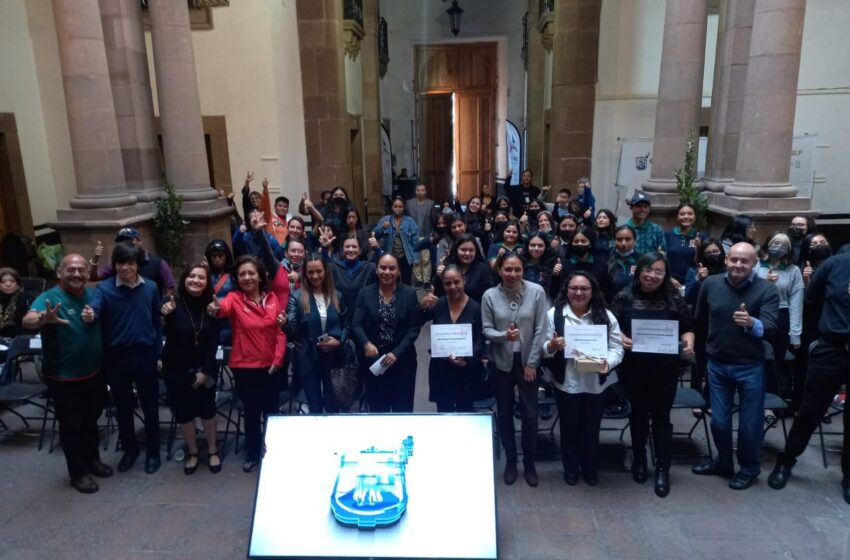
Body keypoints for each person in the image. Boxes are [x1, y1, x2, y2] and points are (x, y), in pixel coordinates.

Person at [692, 242, 779, 490]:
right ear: (727, 260)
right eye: (734, 260)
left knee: (750, 425)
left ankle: (750, 468)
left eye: (745, 261)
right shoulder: (710, 284)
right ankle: (724, 462)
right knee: (718, 421)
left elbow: (771, 327)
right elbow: (700, 319)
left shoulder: (767, 290)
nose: (738, 265)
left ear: (754, 264)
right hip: (717, 363)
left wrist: (752, 323)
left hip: (750, 366)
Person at [766, 250, 850, 505]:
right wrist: (817, 340)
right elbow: (811, 301)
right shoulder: (837, 264)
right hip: (832, 349)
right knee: (809, 411)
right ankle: (787, 459)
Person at [22, 254, 110, 494]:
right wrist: (42, 318)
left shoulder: (92, 296)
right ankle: (78, 472)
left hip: (93, 372)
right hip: (63, 376)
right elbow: (28, 320)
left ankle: (93, 459)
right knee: (71, 426)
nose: (77, 274)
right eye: (71, 270)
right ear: (59, 272)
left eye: (81, 270)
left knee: (92, 419)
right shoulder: (48, 298)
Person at [611, 253, 695, 497]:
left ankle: (662, 468)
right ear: (639, 272)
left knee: (661, 419)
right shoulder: (624, 297)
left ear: (665, 274)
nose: (652, 276)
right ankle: (639, 460)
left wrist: (688, 342)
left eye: (659, 271)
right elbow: (610, 327)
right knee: (637, 416)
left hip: (665, 370)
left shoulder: (673, 298)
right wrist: (620, 338)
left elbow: (687, 327)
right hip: (634, 368)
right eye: (648, 270)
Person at [83, 242, 163, 475]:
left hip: (145, 354)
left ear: (138, 265)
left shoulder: (150, 288)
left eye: (130, 263)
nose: (125, 268)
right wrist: (89, 315)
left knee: (150, 406)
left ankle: (153, 451)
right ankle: (130, 450)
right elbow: (94, 309)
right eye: (120, 263)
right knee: (123, 407)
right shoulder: (105, 289)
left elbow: (156, 322)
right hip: (116, 358)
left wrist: (158, 351)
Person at [542, 271, 624, 486]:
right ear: (567, 291)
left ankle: (590, 467)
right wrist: (552, 346)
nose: (578, 292)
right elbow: (543, 348)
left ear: (592, 291)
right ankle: (571, 468)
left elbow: (617, 347)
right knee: (568, 427)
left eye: (584, 289)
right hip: (566, 381)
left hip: (596, 383)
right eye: (574, 288)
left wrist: (609, 362)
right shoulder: (554, 314)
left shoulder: (606, 315)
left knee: (591, 427)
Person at [207, 255, 286, 473]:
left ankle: (273, 451)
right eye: (242, 274)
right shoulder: (234, 298)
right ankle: (252, 453)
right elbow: (222, 307)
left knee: (272, 412)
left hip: (272, 366)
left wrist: (278, 360)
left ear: (261, 276)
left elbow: (280, 332)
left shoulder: (272, 299)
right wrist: (215, 309)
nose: (247, 277)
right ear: (237, 278)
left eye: (251, 273)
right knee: (251, 413)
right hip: (246, 368)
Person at [482, 252, 549, 487]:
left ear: (523, 270)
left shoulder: (537, 292)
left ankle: (529, 462)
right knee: (505, 412)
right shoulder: (489, 295)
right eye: (507, 269)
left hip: (528, 361)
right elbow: (486, 330)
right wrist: (504, 336)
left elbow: (542, 329)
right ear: (499, 270)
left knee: (530, 415)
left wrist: (532, 362)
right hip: (502, 361)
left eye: (517, 269)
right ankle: (511, 460)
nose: (512, 274)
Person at [160, 264, 221, 475]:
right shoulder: (172, 305)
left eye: (201, 277)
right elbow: (160, 324)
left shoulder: (212, 307)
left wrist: (205, 371)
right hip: (176, 369)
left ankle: (213, 450)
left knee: (207, 410)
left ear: (207, 282)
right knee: (184, 412)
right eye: (191, 276)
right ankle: (193, 452)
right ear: (184, 279)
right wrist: (163, 312)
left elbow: (214, 342)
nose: (195, 280)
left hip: (205, 367)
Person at [351, 254, 422, 413]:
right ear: (376, 270)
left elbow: (414, 328)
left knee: (402, 409)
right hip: (374, 359)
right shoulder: (365, 292)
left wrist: (396, 353)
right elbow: (356, 323)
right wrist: (366, 343)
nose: (387, 272)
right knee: (378, 407)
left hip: (402, 359)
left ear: (398, 271)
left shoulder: (409, 294)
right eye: (383, 267)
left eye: (392, 268)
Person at [285, 254, 347, 413]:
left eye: (318, 271)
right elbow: (291, 330)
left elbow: (347, 324)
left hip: (333, 356)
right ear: (304, 273)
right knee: (315, 405)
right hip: (308, 358)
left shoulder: (337, 295)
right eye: (310, 272)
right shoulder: (297, 297)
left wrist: (339, 341)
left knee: (333, 404)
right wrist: (284, 323)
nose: (315, 276)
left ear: (325, 271)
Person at [420, 265, 485, 412]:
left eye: (456, 282)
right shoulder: (438, 304)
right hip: (441, 370)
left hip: (466, 370)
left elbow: (480, 340)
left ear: (464, 280)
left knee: (465, 414)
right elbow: (416, 321)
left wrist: (466, 359)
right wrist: (423, 306)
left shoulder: (476, 308)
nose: (453, 286)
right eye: (448, 283)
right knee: (444, 415)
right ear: (442, 284)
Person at [755, 232, 803, 409]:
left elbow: (796, 303)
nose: (779, 247)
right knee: (755, 358)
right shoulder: (756, 264)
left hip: (782, 315)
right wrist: (765, 282)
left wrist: (795, 335)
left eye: (784, 245)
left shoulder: (793, 270)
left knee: (775, 363)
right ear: (768, 243)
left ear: (789, 250)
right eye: (776, 243)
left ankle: (769, 404)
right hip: (757, 313)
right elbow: (748, 288)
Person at [90, 228, 176, 297]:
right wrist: (96, 258)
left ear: (139, 241)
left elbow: (170, 287)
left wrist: (163, 307)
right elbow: (93, 277)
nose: (127, 244)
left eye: (130, 240)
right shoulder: (119, 265)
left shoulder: (158, 263)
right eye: (122, 242)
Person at [551, 226, 612, 300]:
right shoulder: (563, 264)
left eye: (583, 241)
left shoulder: (601, 265)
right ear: (571, 244)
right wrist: (555, 276)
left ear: (590, 243)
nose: (579, 244)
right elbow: (554, 293)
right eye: (576, 241)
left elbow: (607, 293)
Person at [372, 196, 420, 285]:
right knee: (391, 280)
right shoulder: (385, 220)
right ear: (392, 207)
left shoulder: (410, 222)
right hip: (390, 255)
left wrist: (416, 259)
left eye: (400, 206)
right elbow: (375, 235)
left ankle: (406, 298)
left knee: (407, 281)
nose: (398, 209)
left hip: (406, 256)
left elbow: (415, 242)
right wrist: (382, 228)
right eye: (396, 206)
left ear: (404, 207)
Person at [434, 233, 493, 302]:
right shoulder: (447, 266)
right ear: (456, 250)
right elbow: (438, 294)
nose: (467, 253)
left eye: (471, 250)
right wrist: (439, 276)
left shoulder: (483, 269)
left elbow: (488, 296)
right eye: (463, 250)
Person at [331, 237, 376, 327]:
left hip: (363, 319)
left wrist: (377, 249)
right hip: (340, 318)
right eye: (347, 247)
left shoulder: (369, 268)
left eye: (354, 247)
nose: (350, 249)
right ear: (342, 250)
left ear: (359, 251)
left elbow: (383, 268)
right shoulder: (334, 267)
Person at [664, 204, 707, 288]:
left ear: (694, 217)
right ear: (677, 217)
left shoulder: (701, 236)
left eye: (690, 214)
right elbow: (662, 258)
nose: (686, 216)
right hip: (671, 280)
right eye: (682, 214)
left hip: (693, 280)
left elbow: (702, 261)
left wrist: (699, 248)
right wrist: (668, 278)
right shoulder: (668, 235)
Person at [204, 240, 234, 345]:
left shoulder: (234, 275)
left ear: (226, 256)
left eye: (220, 256)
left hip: (229, 322)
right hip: (210, 321)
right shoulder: (204, 275)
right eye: (214, 256)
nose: (217, 259)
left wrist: (221, 303)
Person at [407, 184, 436, 286]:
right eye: (418, 190)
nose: (420, 192)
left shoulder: (431, 203)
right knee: (416, 259)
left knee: (426, 260)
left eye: (422, 190)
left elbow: (434, 220)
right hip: (413, 235)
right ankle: (418, 280)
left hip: (426, 235)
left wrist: (433, 234)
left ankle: (426, 280)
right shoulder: (409, 203)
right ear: (415, 191)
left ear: (425, 191)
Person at [0, 267, 34, 338]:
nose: (8, 284)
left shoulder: (26, 298)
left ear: (18, 284)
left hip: (19, 339)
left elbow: (29, 328)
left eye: (12, 281)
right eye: (3, 282)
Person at [608, 225, 639, 301]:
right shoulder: (606, 262)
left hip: (637, 306)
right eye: (619, 239)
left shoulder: (642, 261)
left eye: (628, 239)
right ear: (614, 241)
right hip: (612, 307)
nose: (623, 243)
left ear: (635, 241)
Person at [259, 177, 289, 246]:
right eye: (280, 206)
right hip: (273, 250)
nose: (282, 208)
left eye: (285, 206)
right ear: (275, 206)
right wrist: (265, 189)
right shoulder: (269, 216)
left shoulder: (289, 219)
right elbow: (265, 205)